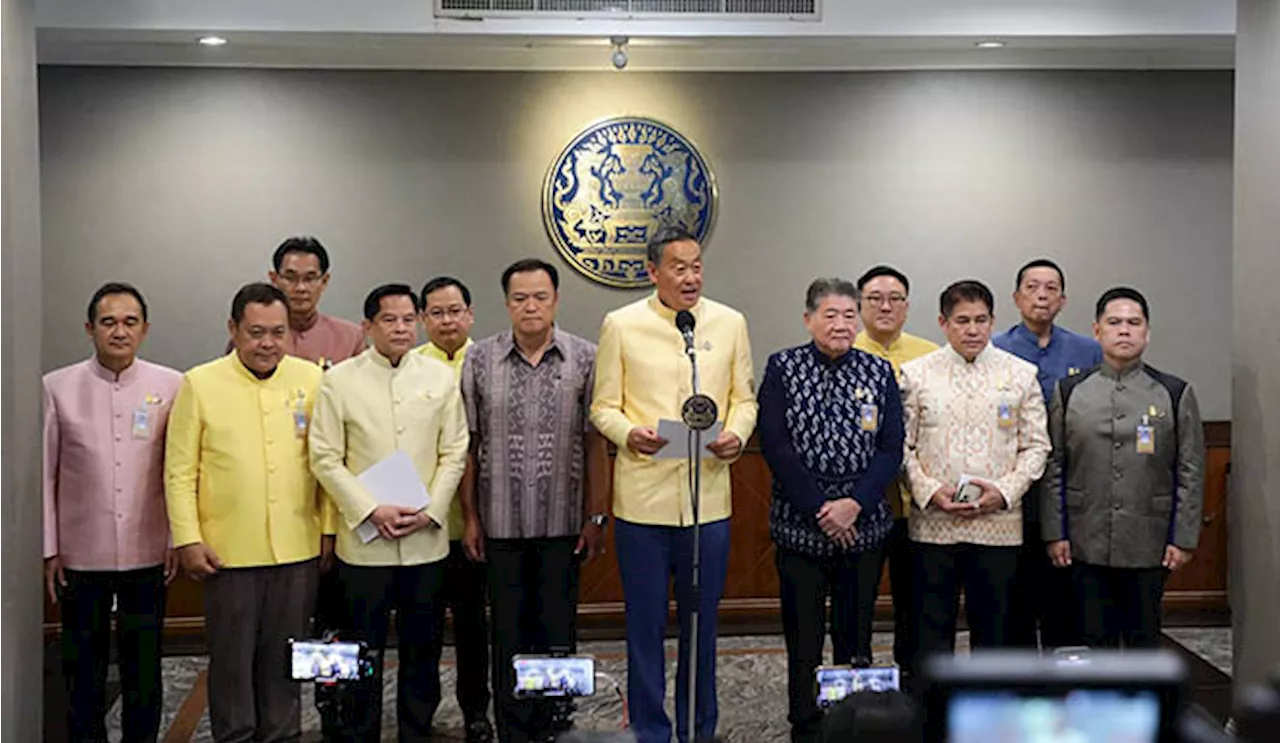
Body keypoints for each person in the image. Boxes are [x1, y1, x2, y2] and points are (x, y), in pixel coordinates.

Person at [591, 225, 759, 743]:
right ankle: (649, 730)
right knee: (644, 628)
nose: (690, 277)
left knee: (700, 627)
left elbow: (744, 399)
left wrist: (736, 434)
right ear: (653, 272)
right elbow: (603, 406)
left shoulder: (729, 323)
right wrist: (628, 433)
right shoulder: (622, 324)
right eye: (678, 267)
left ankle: (698, 729)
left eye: (696, 266)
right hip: (644, 502)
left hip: (708, 499)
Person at [165, 282, 330, 742]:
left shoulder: (310, 379)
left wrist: (329, 532)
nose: (267, 343)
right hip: (226, 552)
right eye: (256, 332)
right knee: (232, 664)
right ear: (233, 329)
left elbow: (328, 462)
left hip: (296, 547)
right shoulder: (200, 382)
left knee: (285, 660)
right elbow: (179, 471)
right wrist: (188, 539)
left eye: (278, 332)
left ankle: (283, 735)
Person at [309, 283, 469, 741]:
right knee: (363, 651)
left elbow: (455, 450)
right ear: (368, 326)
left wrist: (433, 510)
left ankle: (416, 731)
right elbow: (324, 456)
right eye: (389, 320)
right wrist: (368, 509)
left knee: (424, 650)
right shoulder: (339, 379)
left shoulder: (439, 379)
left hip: (426, 540)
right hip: (364, 545)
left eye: (407, 319)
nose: (401, 328)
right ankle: (358, 731)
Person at [459, 259, 607, 743]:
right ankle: (514, 728)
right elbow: (468, 445)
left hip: (563, 524)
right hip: (500, 524)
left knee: (557, 632)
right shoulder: (479, 358)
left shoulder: (585, 357)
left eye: (540, 296)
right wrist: (471, 518)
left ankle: (554, 725)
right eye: (520, 297)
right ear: (506, 303)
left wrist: (595, 516)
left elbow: (594, 443)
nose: (530, 306)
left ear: (556, 299)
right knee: (506, 634)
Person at [760, 277, 904, 743]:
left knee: (855, 637)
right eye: (830, 315)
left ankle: (850, 727)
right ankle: (804, 726)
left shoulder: (878, 373)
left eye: (849, 315)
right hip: (800, 527)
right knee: (803, 641)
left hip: (863, 529)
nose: (841, 324)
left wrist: (854, 505)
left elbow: (890, 448)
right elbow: (776, 446)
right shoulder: (783, 368)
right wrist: (823, 509)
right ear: (808, 319)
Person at [42, 282, 183, 743]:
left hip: (149, 551)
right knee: (83, 668)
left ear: (145, 329)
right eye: (108, 322)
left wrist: (174, 539)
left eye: (129, 322)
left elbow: (179, 470)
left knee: (145, 666)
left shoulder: (172, 385)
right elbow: (45, 474)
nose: (119, 331)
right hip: (81, 555)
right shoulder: (56, 387)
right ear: (89, 329)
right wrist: (49, 549)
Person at [1041, 287, 1204, 649]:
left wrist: (1183, 538)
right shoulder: (1069, 391)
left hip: (1150, 539)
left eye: (1134, 323)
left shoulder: (1174, 392)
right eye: (1114, 323)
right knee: (1091, 636)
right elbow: (1054, 466)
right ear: (1097, 331)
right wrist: (1055, 533)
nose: (1124, 330)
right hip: (1084, 538)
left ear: (1147, 332)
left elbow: (1191, 469)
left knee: (1142, 638)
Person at [900, 280, 1050, 666]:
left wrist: (1002, 492)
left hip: (998, 524)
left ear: (993, 321)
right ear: (943, 323)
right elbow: (900, 447)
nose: (972, 330)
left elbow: (1037, 446)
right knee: (930, 633)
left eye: (981, 320)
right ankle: (931, 719)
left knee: (997, 632)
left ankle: (993, 717)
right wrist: (930, 491)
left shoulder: (1020, 374)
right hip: (933, 523)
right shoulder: (916, 374)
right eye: (962, 321)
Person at [992, 259, 1103, 651]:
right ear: (1017, 297)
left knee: (1064, 586)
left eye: (1051, 288)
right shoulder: (996, 348)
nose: (1042, 295)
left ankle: (1064, 673)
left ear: (1063, 299)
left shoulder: (1088, 350)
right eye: (1033, 286)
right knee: (1015, 587)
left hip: (1069, 484)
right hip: (1012, 486)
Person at [851, 265, 939, 672]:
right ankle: (860, 680)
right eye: (875, 298)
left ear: (907, 306)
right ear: (859, 304)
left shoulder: (931, 356)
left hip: (918, 505)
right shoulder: (843, 350)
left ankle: (912, 688)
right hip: (863, 504)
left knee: (916, 603)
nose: (885, 306)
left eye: (895, 299)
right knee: (858, 600)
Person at [417, 275, 492, 743]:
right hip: (421, 522)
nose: (447, 321)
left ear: (470, 314)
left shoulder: (486, 362)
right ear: (424, 319)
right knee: (420, 629)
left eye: (455, 311)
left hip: (476, 524)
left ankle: (476, 712)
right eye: (436, 313)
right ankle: (419, 712)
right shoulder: (406, 364)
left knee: (472, 629)